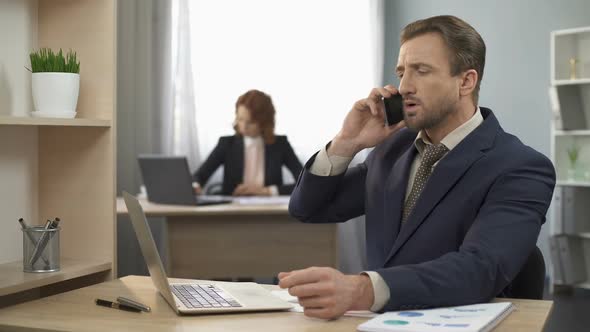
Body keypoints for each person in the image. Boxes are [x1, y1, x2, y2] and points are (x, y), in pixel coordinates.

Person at [278, 15, 556, 319]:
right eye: (401, 72)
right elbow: (308, 209)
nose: (404, 86)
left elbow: (480, 269)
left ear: (466, 81)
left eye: (421, 71)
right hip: (379, 324)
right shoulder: (391, 150)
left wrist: (362, 289)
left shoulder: (521, 167)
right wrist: (347, 142)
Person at [193, 89, 303, 196]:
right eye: (240, 119)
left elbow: (304, 182)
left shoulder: (280, 144)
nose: (243, 127)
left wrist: (267, 191)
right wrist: (195, 185)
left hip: (269, 209)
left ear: (265, 122)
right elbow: (199, 176)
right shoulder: (226, 144)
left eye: (250, 122)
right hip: (232, 210)